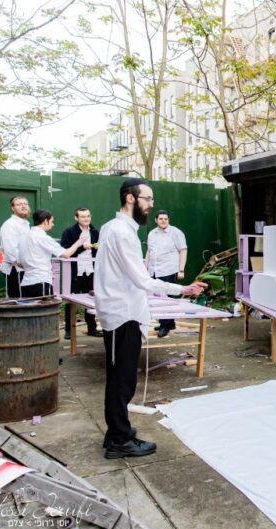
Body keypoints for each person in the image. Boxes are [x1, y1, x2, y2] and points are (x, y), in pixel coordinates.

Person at [94, 178, 206, 459]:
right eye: (148, 198)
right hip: (123, 314)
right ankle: (119, 440)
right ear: (130, 198)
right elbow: (142, 279)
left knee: (122, 378)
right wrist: (183, 289)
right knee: (122, 381)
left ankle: (117, 432)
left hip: (125, 311)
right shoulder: (121, 232)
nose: (151, 205)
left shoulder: (113, 228)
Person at [17, 210, 86, 298]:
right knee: (45, 307)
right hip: (41, 282)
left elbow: (19, 262)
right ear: (46, 221)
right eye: (52, 221)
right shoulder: (43, 237)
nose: (53, 224)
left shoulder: (23, 237)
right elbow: (66, 254)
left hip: (25, 283)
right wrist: (79, 242)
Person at [145, 210, 188, 338]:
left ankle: (164, 326)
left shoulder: (176, 232)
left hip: (168, 270)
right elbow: (149, 251)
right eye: (161, 219)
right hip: (154, 270)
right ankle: (169, 323)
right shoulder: (152, 234)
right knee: (157, 298)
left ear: (168, 220)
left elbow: (183, 250)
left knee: (166, 299)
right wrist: (145, 268)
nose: (163, 221)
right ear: (156, 220)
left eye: (166, 219)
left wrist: (181, 269)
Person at [60, 207, 101, 339]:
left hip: (91, 270)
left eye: (88, 216)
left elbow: (100, 249)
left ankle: (92, 328)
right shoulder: (69, 232)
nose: (86, 219)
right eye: (82, 216)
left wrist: (98, 247)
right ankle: (68, 330)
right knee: (70, 301)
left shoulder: (95, 232)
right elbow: (64, 250)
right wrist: (82, 247)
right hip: (75, 272)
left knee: (91, 299)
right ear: (76, 218)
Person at [0, 196, 31, 297]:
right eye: (19, 204)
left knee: (28, 301)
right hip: (15, 269)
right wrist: (27, 264)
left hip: (25, 269)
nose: (24, 206)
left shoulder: (26, 224)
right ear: (13, 208)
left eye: (25, 204)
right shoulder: (10, 225)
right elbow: (11, 251)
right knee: (17, 302)